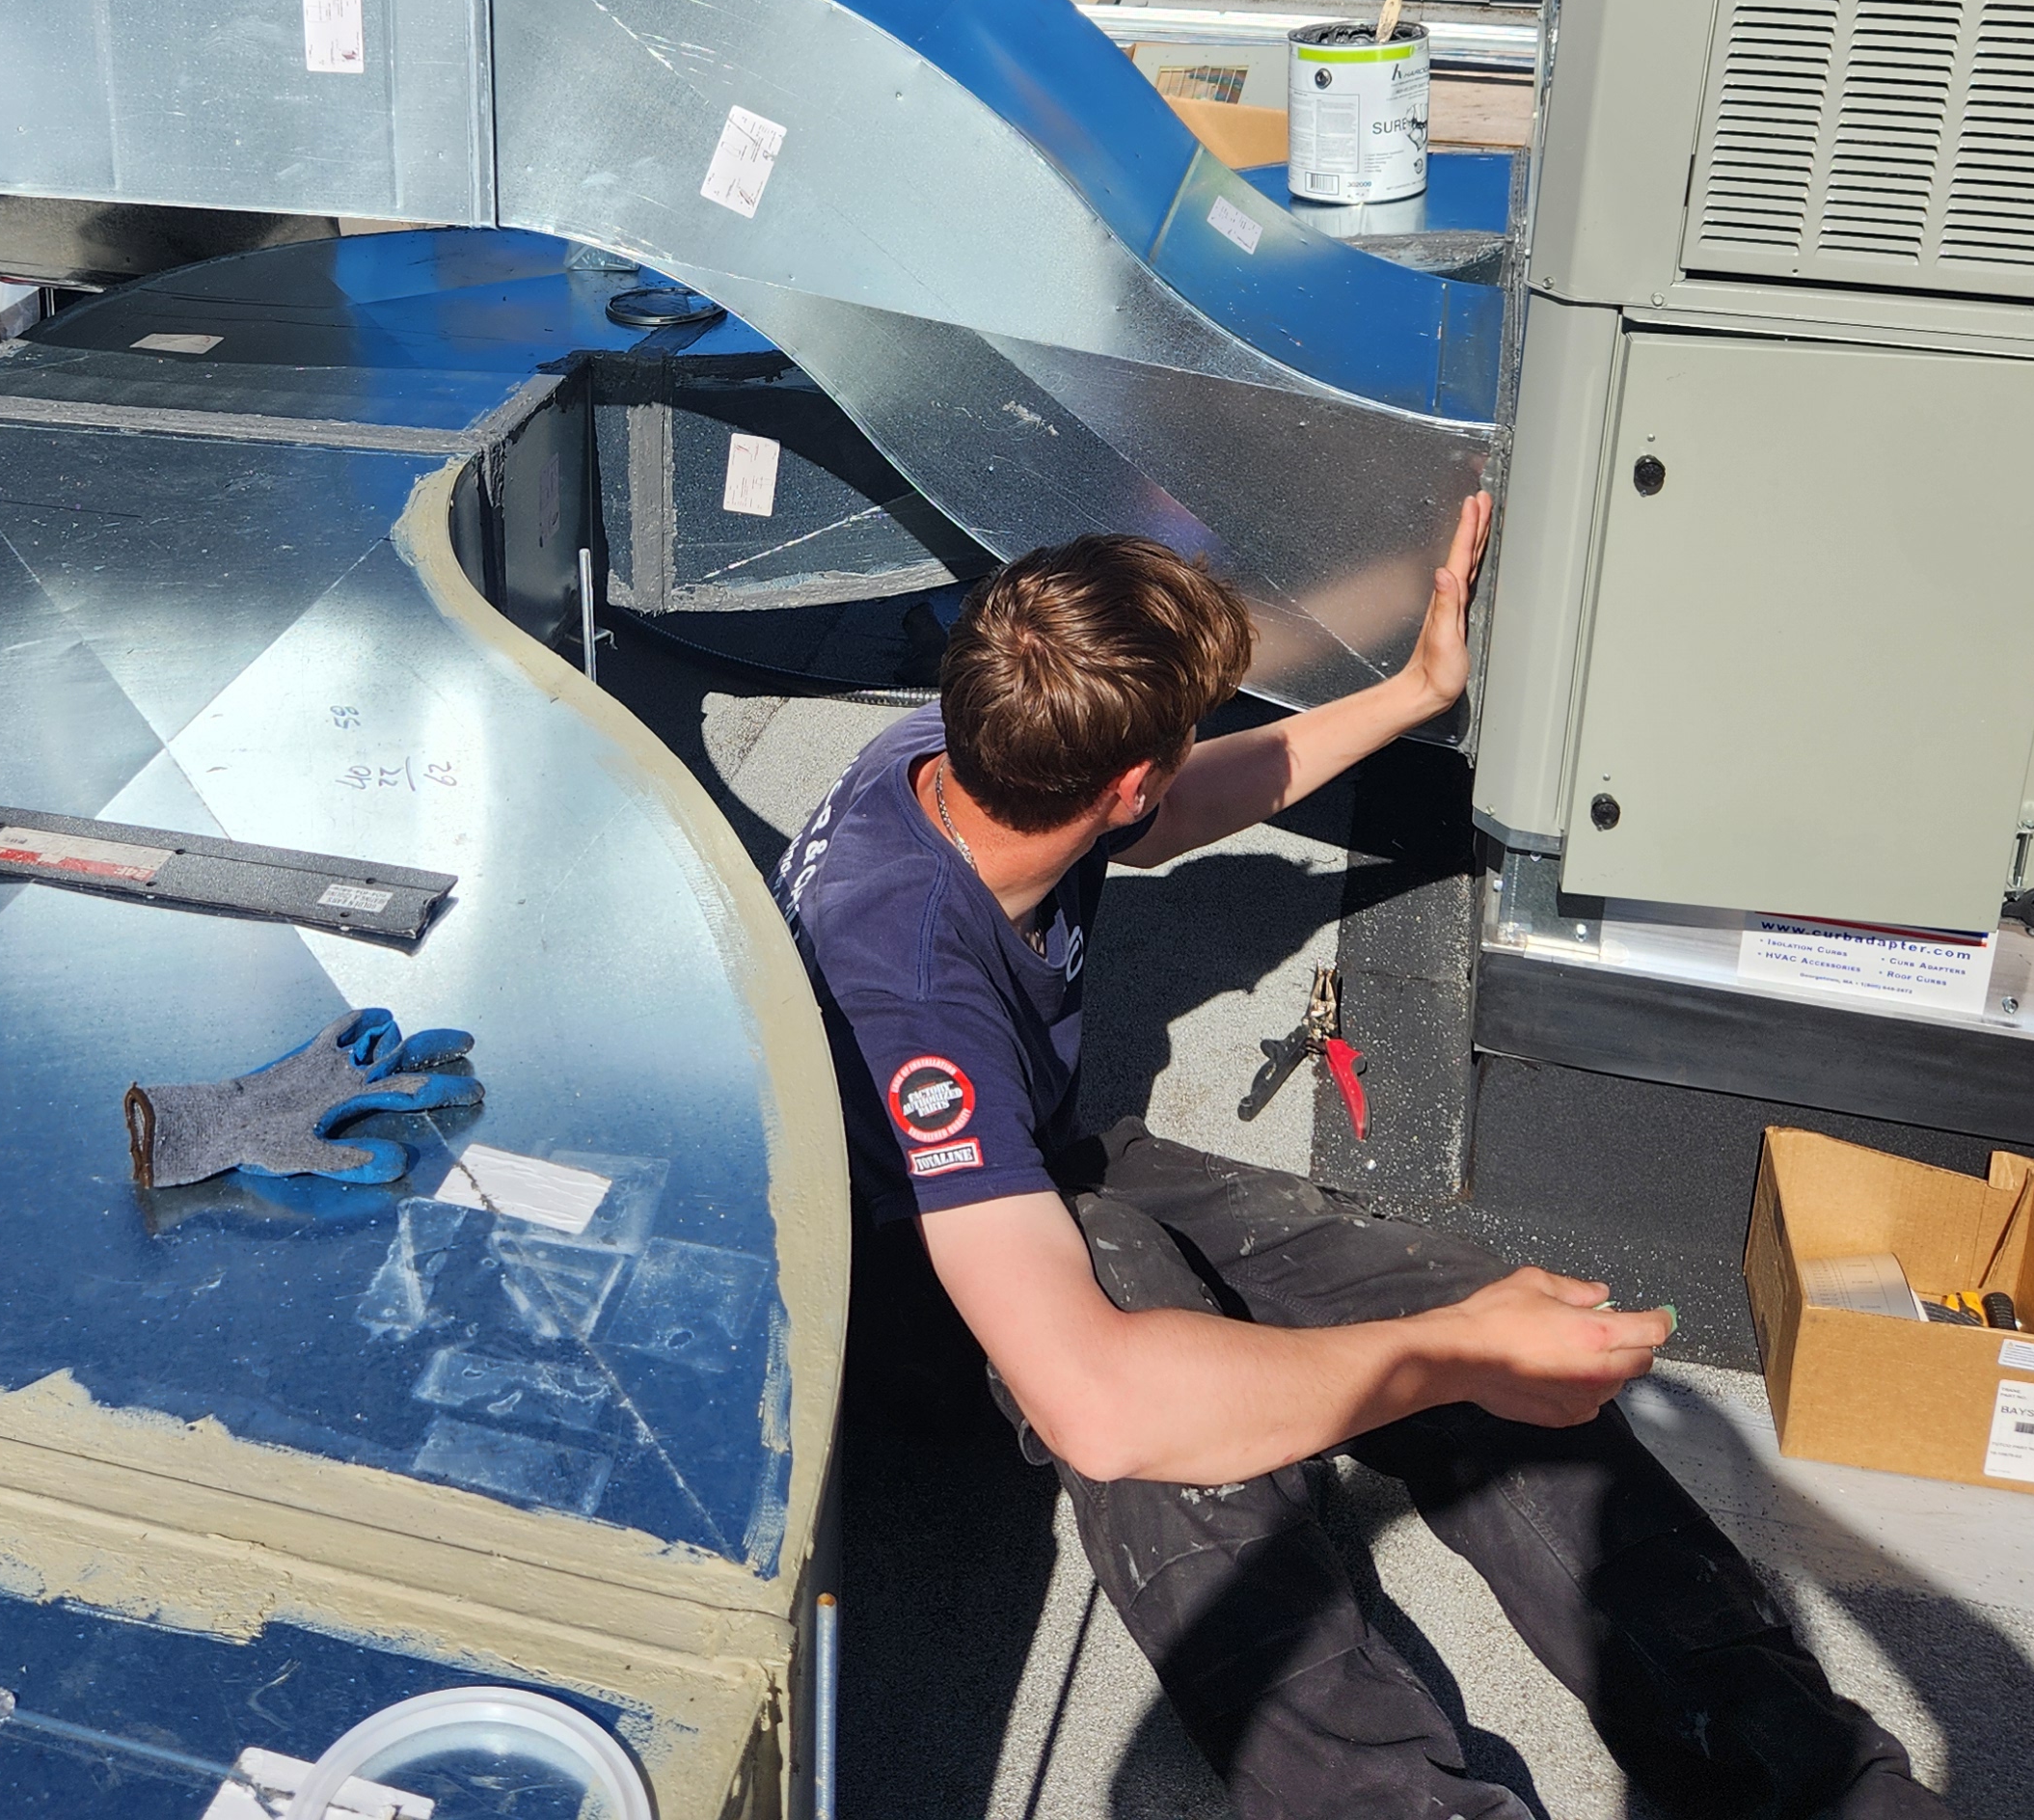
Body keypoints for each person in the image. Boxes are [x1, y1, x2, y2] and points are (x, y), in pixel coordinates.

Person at [773, 500, 1942, 1820]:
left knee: (1443, 1292)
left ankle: (1800, 1775)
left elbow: (1170, 808)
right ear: (1121, 775)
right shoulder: (918, 988)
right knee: (1180, 1416)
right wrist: (1450, 1363)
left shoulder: (967, 738)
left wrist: (1412, 693)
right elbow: (1096, 1397)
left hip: (1038, 1161)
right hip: (889, 1279)